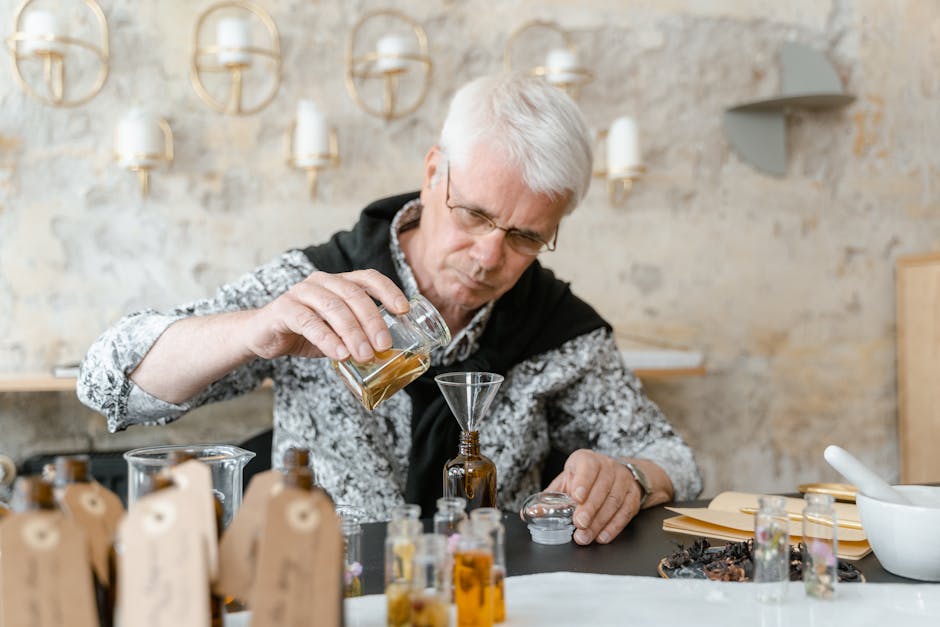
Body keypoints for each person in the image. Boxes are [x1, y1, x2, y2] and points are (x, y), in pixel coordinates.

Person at [78, 72, 701, 545]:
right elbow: (108, 383)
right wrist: (255, 331)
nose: (489, 257)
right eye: (475, 215)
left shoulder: (560, 329)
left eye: (524, 237)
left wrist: (633, 477)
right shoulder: (318, 282)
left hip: (492, 596)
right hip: (326, 587)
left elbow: (674, 458)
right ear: (435, 173)